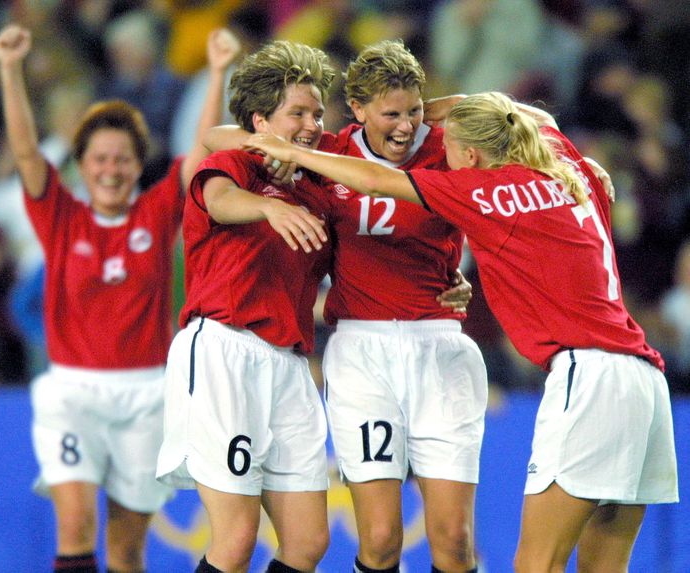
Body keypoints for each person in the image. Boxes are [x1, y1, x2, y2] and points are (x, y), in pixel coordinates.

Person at [243, 91, 679, 573]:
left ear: (471, 156)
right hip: (644, 380)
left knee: (538, 563)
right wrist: (433, 108)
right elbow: (532, 115)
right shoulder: (565, 163)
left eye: (446, 146)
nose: (438, 152)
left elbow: (372, 179)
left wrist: (291, 151)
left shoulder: (481, 189)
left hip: (588, 377)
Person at [205, 39, 484, 573]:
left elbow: (497, 110)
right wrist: (282, 150)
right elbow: (216, 138)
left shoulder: (447, 147)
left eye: (415, 111)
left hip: (440, 345)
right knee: (380, 538)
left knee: (454, 539)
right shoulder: (329, 154)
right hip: (362, 351)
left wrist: (439, 108)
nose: (405, 127)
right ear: (357, 111)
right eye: (390, 114)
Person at [0, 23, 240, 573]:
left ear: (137, 165)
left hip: (147, 397)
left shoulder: (156, 212)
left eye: (122, 159)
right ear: (81, 165)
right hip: (73, 394)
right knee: (76, 525)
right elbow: (27, 150)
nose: (110, 169)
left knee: (128, 550)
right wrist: (10, 70)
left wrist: (218, 71)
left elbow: (201, 154)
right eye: (100, 159)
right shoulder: (61, 215)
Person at [155, 40, 336, 573]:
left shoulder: (321, 186)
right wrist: (265, 207)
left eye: (318, 112)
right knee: (234, 540)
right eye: (297, 112)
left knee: (308, 544)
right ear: (261, 121)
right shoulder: (230, 165)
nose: (311, 124)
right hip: (224, 351)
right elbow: (218, 199)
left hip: (289, 366)